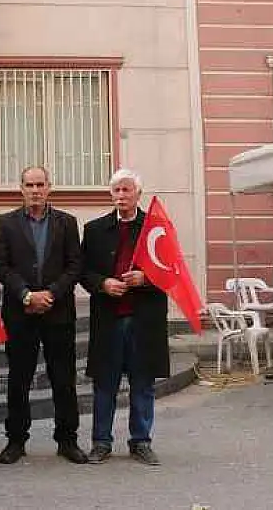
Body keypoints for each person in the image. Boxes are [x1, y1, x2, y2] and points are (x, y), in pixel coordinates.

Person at [0, 167, 86, 465]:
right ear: (21, 188)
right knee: (19, 379)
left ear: (49, 187)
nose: (35, 190)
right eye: (29, 184)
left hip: (58, 312)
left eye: (40, 184)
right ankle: (16, 440)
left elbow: (75, 265)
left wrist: (52, 294)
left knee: (63, 378)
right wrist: (27, 295)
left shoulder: (67, 223)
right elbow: (0, 266)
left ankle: (67, 440)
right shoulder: (5, 222)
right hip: (21, 312)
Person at [80, 168, 170, 466]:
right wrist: (103, 283)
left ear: (138, 194)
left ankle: (141, 441)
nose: (121, 195)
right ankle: (101, 442)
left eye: (126, 190)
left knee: (142, 383)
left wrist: (145, 279)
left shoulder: (157, 228)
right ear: (110, 194)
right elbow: (82, 271)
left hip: (143, 320)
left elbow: (172, 273)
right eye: (116, 190)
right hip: (108, 318)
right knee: (105, 383)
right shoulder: (94, 229)